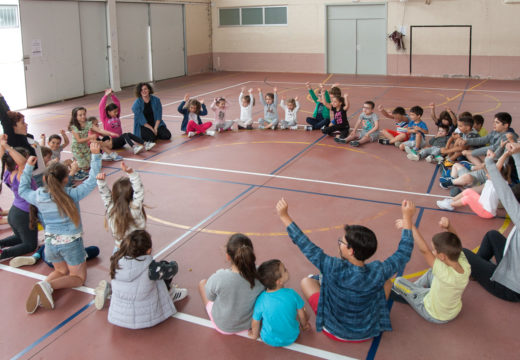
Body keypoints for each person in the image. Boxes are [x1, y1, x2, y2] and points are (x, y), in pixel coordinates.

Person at [276, 198, 414, 342]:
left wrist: (284, 216)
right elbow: (404, 253)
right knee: (387, 283)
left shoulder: (332, 266)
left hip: (334, 331)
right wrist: (407, 218)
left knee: (306, 281)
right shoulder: (378, 270)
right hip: (368, 331)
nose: (339, 244)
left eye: (341, 242)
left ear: (351, 251)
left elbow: (304, 244)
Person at [20, 142, 102, 314]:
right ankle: (47, 285)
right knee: (78, 278)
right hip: (70, 243)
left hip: (50, 243)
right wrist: (95, 155)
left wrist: (28, 168)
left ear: (45, 179)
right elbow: (91, 180)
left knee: (60, 270)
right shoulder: (71, 194)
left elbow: (23, 190)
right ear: (66, 179)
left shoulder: (39, 196)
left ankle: (43, 285)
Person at [461, 142, 520, 302]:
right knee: (493, 235)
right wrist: (516, 154)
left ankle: (477, 270)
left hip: (510, 287)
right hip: (512, 268)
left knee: (463, 253)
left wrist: (489, 163)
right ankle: (476, 271)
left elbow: (503, 190)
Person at [392, 217, 470, 323]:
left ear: (442, 256)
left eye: (434, 250)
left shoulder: (444, 273)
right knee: (431, 272)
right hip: (453, 311)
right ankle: (415, 291)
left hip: (433, 313)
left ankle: (413, 296)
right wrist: (448, 227)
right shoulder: (464, 264)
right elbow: (457, 243)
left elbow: (425, 250)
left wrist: (410, 226)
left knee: (398, 281)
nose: (432, 252)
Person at [94, 161, 147, 310]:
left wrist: (101, 182)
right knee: (140, 277)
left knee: (120, 276)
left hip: (118, 250)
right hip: (137, 250)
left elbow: (105, 195)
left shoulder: (111, 209)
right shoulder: (135, 209)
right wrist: (132, 174)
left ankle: (111, 289)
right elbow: (139, 191)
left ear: (114, 194)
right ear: (131, 196)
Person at [108, 230, 187, 329]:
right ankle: (171, 292)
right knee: (160, 274)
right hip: (145, 318)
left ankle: (108, 290)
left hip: (118, 316)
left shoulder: (116, 262)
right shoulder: (151, 268)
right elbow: (172, 270)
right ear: (149, 251)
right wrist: (173, 263)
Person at [198, 233, 264, 334]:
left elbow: (211, 297)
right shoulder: (261, 273)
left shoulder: (220, 277)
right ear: (250, 254)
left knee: (202, 283)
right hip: (250, 323)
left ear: (228, 256)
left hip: (224, 326)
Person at [437, 150, 520, 218]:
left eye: (489, 173)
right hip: (482, 204)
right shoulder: (492, 181)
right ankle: (451, 201)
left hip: (486, 212)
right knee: (468, 191)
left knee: (467, 199)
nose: (487, 175)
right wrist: (489, 157)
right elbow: (491, 166)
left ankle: (450, 205)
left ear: (496, 175)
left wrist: (506, 154)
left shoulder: (498, 183)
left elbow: (497, 167)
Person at [249, 259, 310, 347]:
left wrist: (254, 335)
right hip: (292, 336)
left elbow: (256, 321)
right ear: (279, 282)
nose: (287, 270)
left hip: (268, 339)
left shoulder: (261, 299)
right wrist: (304, 326)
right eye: (284, 270)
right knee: (302, 308)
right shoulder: (292, 293)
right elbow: (301, 314)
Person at [0, 137, 38, 260]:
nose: (28, 160)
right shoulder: (21, 174)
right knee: (30, 245)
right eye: (26, 157)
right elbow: (22, 163)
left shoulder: (8, 172)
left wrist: (2, 145)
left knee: (20, 238)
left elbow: (3, 157)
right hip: (24, 214)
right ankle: (2, 254)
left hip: (15, 212)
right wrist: (6, 147)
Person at [68, 107, 119, 181]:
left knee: (89, 164)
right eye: (80, 115)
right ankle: (75, 169)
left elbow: (99, 130)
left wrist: (111, 133)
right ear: (75, 117)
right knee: (84, 165)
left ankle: (77, 163)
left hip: (84, 146)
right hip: (77, 148)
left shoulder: (88, 124)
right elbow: (79, 140)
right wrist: (89, 137)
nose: (83, 116)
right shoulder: (74, 127)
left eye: (84, 114)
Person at [0, 93, 45, 174]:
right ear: (13, 127)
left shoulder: (27, 137)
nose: (26, 124)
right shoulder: (14, 140)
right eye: (23, 122)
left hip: (42, 173)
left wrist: (2, 97)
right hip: (34, 177)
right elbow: (5, 118)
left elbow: (8, 113)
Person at [99, 89, 155, 155]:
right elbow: (101, 107)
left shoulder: (117, 116)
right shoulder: (105, 119)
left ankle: (146, 144)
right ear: (108, 112)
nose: (117, 113)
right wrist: (105, 96)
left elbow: (117, 103)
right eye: (114, 112)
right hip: (112, 142)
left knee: (128, 134)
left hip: (120, 141)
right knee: (125, 135)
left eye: (117, 111)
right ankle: (134, 147)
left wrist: (112, 95)